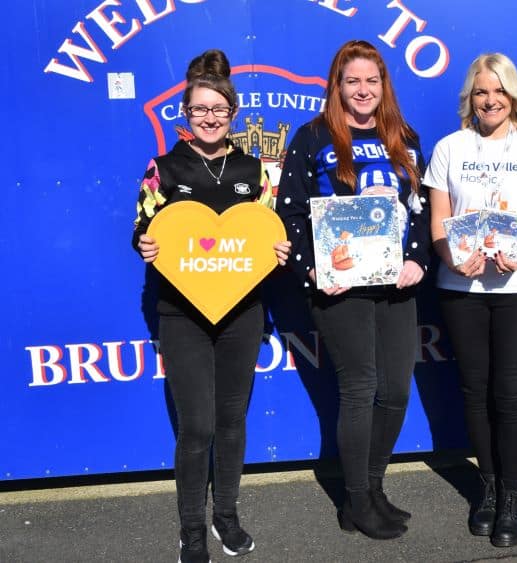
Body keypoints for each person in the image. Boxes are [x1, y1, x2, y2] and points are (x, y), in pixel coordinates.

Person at [132, 49, 290, 563]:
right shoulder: (164, 168)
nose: (209, 118)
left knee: (231, 421)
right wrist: (145, 245)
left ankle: (226, 515)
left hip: (242, 313)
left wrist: (280, 251)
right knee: (196, 425)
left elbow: (271, 232)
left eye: (218, 110)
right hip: (182, 314)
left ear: (232, 113)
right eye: (200, 109)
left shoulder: (253, 170)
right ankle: (192, 528)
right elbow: (142, 229)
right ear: (186, 112)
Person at [276, 39, 428, 540]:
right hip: (341, 286)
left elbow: (421, 210)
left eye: (372, 80)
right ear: (337, 86)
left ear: (384, 85)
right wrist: (312, 270)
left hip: (397, 286)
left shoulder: (404, 136)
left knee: (396, 392)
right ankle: (355, 500)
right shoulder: (313, 136)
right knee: (360, 388)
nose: (363, 90)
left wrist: (417, 259)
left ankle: (375, 487)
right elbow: (291, 213)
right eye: (352, 81)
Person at [426, 53, 517, 548]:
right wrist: (450, 254)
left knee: (510, 394)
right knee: (474, 391)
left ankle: (512, 494)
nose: (490, 100)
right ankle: (487, 487)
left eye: (499, 90)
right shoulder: (449, 148)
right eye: (482, 91)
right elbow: (439, 221)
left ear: (513, 95)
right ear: (471, 97)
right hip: (461, 287)